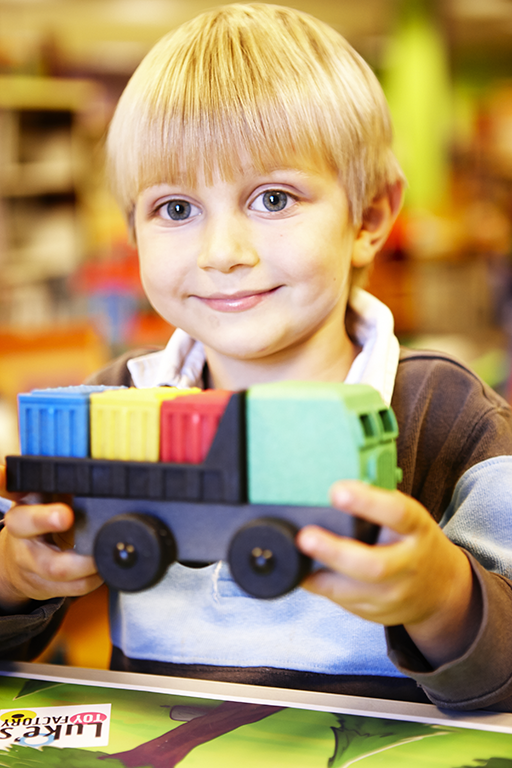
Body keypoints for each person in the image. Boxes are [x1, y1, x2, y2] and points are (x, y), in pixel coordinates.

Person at [1, 3, 512, 711]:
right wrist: (13, 577)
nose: (223, 254)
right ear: (133, 232)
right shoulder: (117, 394)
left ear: (367, 217)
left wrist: (442, 597)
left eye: (273, 198)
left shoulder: (450, 418)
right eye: (176, 210)